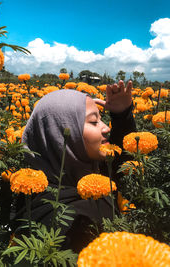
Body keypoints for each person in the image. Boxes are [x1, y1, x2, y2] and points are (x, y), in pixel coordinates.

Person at [10, 80, 136, 252]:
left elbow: (122, 170)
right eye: (93, 122)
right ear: (61, 135)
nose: (106, 128)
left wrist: (122, 116)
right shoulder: (67, 222)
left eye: (102, 118)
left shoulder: (89, 175)